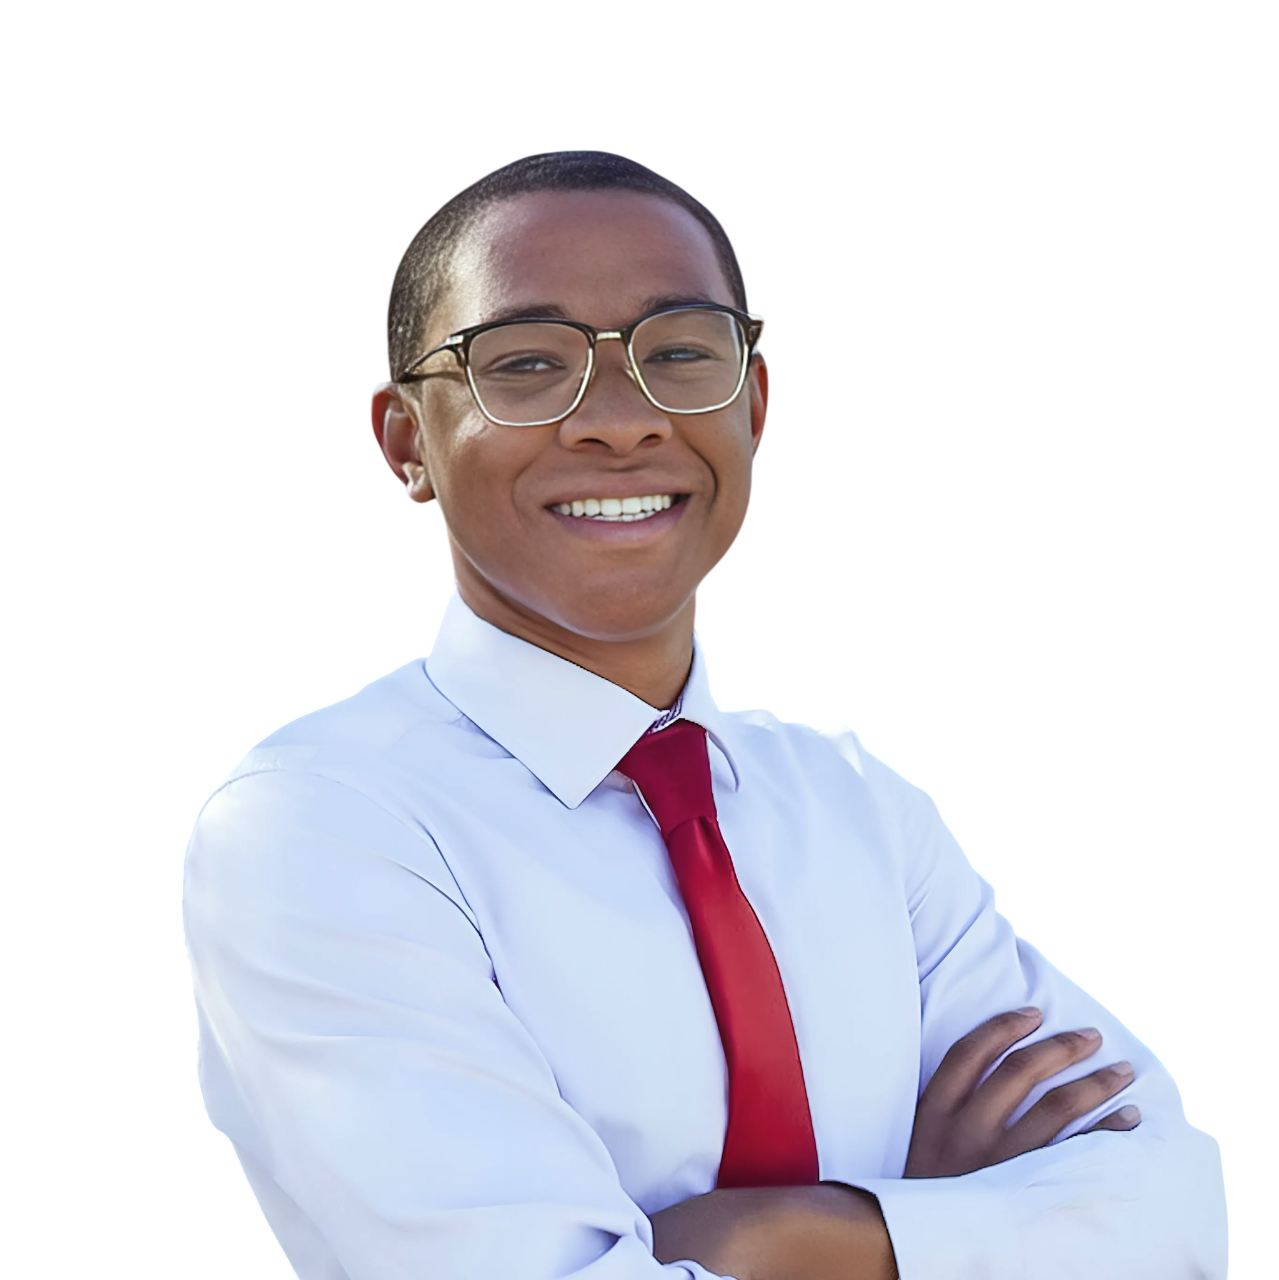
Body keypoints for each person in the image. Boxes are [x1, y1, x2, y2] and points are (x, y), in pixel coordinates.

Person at [180, 151, 1228, 1280]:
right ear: (404, 446)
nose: (620, 421)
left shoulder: (862, 812)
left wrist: (796, 1235)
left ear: (754, 404)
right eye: (526, 364)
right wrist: (946, 1231)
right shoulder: (321, 827)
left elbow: (1177, 1218)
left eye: (680, 352)